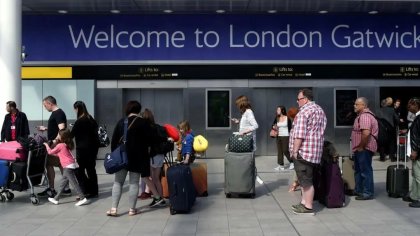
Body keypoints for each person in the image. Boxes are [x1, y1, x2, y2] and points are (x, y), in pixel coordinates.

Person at [107, 101, 164, 217]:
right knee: (134, 183)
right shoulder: (143, 123)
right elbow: (151, 140)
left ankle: (114, 209)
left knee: (118, 182)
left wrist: (115, 155)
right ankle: (132, 209)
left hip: (122, 157)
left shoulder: (121, 122)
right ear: (138, 110)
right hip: (138, 158)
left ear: (127, 109)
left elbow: (114, 142)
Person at [289, 89, 327, 215]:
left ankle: (308, 206)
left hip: (304, 152)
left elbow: (299, 135)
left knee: (306, 181)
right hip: (315, 152)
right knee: (306, 179)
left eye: (298, 99)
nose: (297, 102)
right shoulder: (320, 110)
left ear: (305, 99)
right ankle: (304, 203)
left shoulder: (303, 112)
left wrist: (294, 151)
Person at [43, 129, 88, 206]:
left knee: (74, 183)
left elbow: (50, 152)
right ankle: (56, 199)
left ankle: (82, 198)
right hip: (70, 165)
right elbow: (60, 154)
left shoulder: (60, 145)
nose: (58, 136)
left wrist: (46, 145)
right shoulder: (65, 144)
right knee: (63, 183)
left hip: (68, 166)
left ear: (62, 137)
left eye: (59, 135)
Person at [37, 96, 70, 197]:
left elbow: (62, 129)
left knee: (49, 164)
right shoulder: (58, 113)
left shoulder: (58, 113)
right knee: (61, 165)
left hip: (56, 144)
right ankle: (66, 188)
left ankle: (51, 189)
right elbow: (57, 128)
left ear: (49, 103)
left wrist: (54, 142)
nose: (45, 107)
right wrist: (47, 128)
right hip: (58, 144)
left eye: (45, 105)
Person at [70, 101, 99, 199]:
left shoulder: (79, 121)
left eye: (74, 109)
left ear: (77, 109)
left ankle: (85, 190)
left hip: (82, 150)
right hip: (93, 149)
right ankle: (94, 191)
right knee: (91, 170)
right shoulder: (90, 118)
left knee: (79, 171)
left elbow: (71, 135)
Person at [351, 97, 378, 201]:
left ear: (364, 106)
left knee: (365, 170)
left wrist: (361, 146)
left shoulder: (365, 116)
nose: (355, 106)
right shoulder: (361, 116)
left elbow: (366, 133)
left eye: (357, 104)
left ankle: (367, 192)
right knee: (358, 170)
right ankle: (359, 190)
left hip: (364, 148)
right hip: (360, 148)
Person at [141, 108, 166, 205]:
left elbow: (148, 145)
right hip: (160, 155)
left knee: (150, 177)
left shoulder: (147, 129)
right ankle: (161, 198)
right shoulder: (158, 127)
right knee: (156, 179)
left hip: (153, 156)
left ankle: (158, 198)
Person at [403, 98, 420, 208]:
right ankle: (414, 195)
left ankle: (418, 198)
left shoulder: (419, 118)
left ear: (416, 105)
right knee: (415, 174)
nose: (408, 107)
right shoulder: (417, 118)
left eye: (410, 105)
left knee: (418, 176)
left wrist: (415, 150)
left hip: (417, 152)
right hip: (416, 152)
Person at [377, 97, 398, 161]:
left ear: (381, 104)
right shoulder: (392, 110)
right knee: (392, 143)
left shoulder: (378, 110)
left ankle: (382, 157)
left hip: (381, 129)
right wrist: (397, 123)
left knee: (382, 143)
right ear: (386, 103)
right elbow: (396, 119)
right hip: (390, 128)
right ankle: (392, 157)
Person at [272, 106, 292, 171]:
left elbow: (290, 128)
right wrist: (274, 127)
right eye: (277, 110)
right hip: (278, 136)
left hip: (286, 136)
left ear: (282, 110)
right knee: (279, 151)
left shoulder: (287, 118)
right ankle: (281, 165)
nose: (277, 111)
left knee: (285, 150)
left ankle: (292, 162)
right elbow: (273, 125)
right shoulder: (277, 118)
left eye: (278, 110)